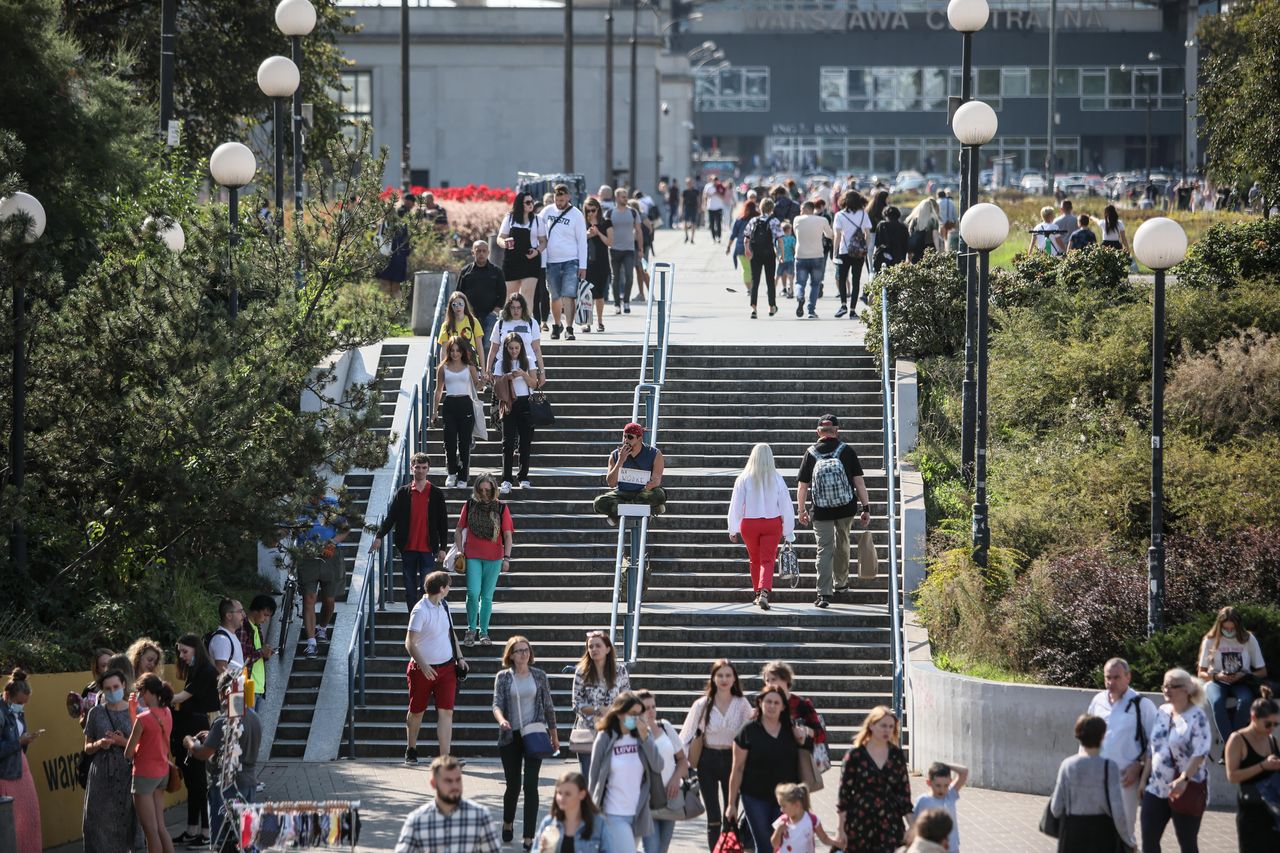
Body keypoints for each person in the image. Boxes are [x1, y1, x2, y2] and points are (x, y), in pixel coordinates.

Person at [796, 413, 871, 608]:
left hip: (821, 510)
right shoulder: (846, 451)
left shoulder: (811, 453)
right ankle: (841, 583)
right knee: (843, 544)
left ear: (818, 432)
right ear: (837, 431)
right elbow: (859, 482)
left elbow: (802, 486)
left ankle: (823, 594)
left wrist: (802, 510)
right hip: (846, 508)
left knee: (824, 549)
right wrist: (866, 508)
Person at [492, 636, 559, 849]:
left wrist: (554, 735)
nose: (524, 654)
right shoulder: (503, 677)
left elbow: (548, 706)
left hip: (534, 735)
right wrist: (502, 720)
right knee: (513, 786)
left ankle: (529, 836)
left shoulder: (539, 676)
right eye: (519, 650)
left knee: (531, 785)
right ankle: (508, 822)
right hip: (511, 736)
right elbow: (496, 704)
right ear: (511, 655)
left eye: (526, 650)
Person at [725, 685, 811, 850]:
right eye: (768, 701)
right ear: (760, 703)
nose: (771, 706)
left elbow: (808, 752)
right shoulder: (748, 730)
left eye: (776, 703)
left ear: (783, 707)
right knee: (765, 844)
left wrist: (803, 739)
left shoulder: (790, 729)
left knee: (784, 843)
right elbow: (737, 769)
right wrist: (731, 804)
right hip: (755, 797)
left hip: (787, 798)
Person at [680, 659, 753, 851]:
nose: (724, 679)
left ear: (735, 678)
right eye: (720, 675)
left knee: (730, 815)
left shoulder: (741, 703)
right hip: (707, 761)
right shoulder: (702, 704)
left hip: (733, 761)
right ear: (712, 678)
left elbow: (753, 731)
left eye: (728, 675)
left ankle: (730, 850)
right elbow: (685, 735)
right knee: (713, 817)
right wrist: (680, 765)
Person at [185, 670, 263, 849]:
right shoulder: (254, 718)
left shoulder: (224, 721)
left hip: (226, 788)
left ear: (223, 693)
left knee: (223, 840)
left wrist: (189, 742)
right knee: (245, 837)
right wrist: (213, 735)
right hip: (248, 783)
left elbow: (203, 753)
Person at [1085, 657, 1158, 837]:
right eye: (1107, 677)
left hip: (1126, 778)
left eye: (1116, 677)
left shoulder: (1142, 705)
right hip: (1098, 776)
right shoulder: (1098, 701)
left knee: (1123, 830)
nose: (1111, 682)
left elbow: (1156, 742)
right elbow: (1087, 737)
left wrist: (1139, 766)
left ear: (1128, 677)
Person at [1142, 668, 1211, 853]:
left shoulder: (1197, 716)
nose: (1167, 689)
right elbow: (1152, 747)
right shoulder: (1162, 711)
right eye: (1165, 685)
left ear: (1187, 689)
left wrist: (1183, 779)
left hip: (1185, 788)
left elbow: (1200, 752)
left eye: (1173, 686)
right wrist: (1143, 781)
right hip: (1156, 787)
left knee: (1187, 844)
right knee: (1149, 840)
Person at [404, 571, 468, 764]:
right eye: (448, 585)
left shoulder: (444, 605)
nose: (449, 589)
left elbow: (451, 633)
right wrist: (422, 665)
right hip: (422, 669)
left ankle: (445, 757)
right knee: (417, 710)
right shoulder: (420, 610)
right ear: (441, 588)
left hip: (447, 668)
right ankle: (411, 749)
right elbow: (409, 642)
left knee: (446, 711)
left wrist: (460, 657)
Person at [588, 691, 663, 852]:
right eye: (632, 714)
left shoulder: (642, 736)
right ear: (620, 713)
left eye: (639, 714)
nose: (637, 718)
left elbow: (658, 765)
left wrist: (646, 739)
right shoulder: (605, 737)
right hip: (613, 812)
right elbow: (594, 777)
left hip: (638, 813)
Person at [371, 452, 449, 605]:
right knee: (410, 590)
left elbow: (443, 523)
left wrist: (443, 547)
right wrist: (379, 536)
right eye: (417, 467)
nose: (420, 470)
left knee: (426, 589)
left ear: (428, 469)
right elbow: (391, 517)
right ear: (411, 468)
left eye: (424, 467)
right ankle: (412, 623)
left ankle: (424, 622)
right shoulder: (403, 492)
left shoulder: (436, 493)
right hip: (408, 548)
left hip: (427, 548)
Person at [1048, 715, 1135, 852]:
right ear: (1102, 736)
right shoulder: (1109, 767)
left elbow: (1056, 808)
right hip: (1102, 833)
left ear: (1078, 734)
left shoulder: (1067, 765)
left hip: (1073, 832)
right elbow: (1118, 812)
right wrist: (1129, 840)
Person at [728, 443, 795, 610]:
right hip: (772, 523)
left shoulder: (743, 478)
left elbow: (736, 505)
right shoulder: (777, 478)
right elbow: (786, 505)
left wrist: (733, 528)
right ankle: (764, 590)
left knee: (754, 559)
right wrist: (788, 530)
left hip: (749, 523)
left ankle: (757, 593)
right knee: (767, 559)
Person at [836, 706, 911, 853]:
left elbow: (904, 793)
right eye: (883, 725)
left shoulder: (897, 755)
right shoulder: (855, 755)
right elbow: (844, 795)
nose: (887, 730)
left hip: (890, 822)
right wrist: (840, 828)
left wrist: (913, 826)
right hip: (860, 820)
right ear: (871, 725)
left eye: (891, 726)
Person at [393, 755, 501, 853]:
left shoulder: (480, 817)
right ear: (434, 783)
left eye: (458, 780)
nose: (455, 786)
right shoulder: (417, 821)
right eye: (448, 781)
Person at [171, 634, 219, 846]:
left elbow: (181, 698)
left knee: (200, 783)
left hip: (203, 729)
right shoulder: (196, 671)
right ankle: (192, 830)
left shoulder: (206, 671)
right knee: (193, 783)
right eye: (179, 652)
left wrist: (158, 699)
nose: (181, 656)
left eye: (185, 651)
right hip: (194, 727)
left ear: (196, 650)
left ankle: (207, 832)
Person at [457, 472, 515, 646]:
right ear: (476, 489)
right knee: (473, 593)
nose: (484, 493)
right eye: (481, 490)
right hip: (473, 555)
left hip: (494, 557)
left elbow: (507, 535)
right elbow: (458, 530)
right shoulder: (469, 505)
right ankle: (471, 629)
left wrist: (507, 558)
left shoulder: (501, 507)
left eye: (488, 490)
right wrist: (460, 551)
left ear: (494, 490)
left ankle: (484, 632)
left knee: (487, 597)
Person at [1197, 605, 1269, 743]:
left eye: (1232, 629)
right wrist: (1217, 676)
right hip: (1217, 681)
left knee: (1246, 700)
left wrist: (1243, 675)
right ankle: (1233, 746)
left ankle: (1230, 747)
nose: (1229, 632)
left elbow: (1262, 671)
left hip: (1241, 682)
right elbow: (1201, 673)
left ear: (1238, 626)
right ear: (1219, 626)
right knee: (1218, 702)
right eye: (1225, 629)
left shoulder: (1248, 639)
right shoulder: (1210, 640)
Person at [82, 668, 135, 853]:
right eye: (108, 688)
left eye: (116, 687)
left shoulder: (134, 712)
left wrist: (122, 742)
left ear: (124, 686)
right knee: (96, 822)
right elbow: (87, 747)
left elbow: (142, 748)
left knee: (126, 821)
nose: (112, 692)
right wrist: (99, 743)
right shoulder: (95, 713)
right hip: (101, 774)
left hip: (127, 773)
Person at [294, 489, 349, 658]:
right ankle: (311, 643)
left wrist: (332, 543)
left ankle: (323, 628)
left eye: (319, 493)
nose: (317, 497)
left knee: (329, 600)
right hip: (307, 556)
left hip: (330, 555)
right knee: (309, 598)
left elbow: (345, 530)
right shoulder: (299, 506)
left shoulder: (332, 504)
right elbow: (287, 528)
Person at [1223, 687, 1280, 853]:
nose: (1272, 728)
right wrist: (1263, 765)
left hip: (1274, 811)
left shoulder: (1272, 741)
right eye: (1268, 723)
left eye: (1276, 724)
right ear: (1254, 717)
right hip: (1251, 811)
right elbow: (1232, 776)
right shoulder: (1237, 739)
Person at [125, 674, 175, 853]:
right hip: (162, 773)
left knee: (150, 831)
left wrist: (134, 714)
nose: (139, 696)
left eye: (141, 691)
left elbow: (129, 752)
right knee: (161, 827)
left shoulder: (143, 718)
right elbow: (148, 738)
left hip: (144, 776)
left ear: (149, 692)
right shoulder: (167, 712)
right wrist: (133, 711)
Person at [636, 688, 690, 853]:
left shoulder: (665, 726)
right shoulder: (633, 733)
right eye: (646, 708)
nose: (651, 711)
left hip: (670, 797)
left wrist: (675, 779)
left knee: (662, 848)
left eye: (653, 706)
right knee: (652, 849)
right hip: (647, 801)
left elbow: (682, 760)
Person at [571, 631, 631, 778]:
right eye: (590, 647)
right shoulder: (581, 671)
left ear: (608, 649)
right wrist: (599, 710)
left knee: (612, 780)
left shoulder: (620, 670)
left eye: (598, 646)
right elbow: (576, 704)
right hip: (588, 732)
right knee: (589, 780)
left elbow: (628, 699)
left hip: (613, 732)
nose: (594, 649)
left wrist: (616, 712)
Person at [0, 669, 43, 853]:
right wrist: (19, 742)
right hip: (7, 774)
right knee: (14, 823)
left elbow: (19, 741)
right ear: (7, 695)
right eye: (18, 702)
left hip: (21, 768)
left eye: (24, 704)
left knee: (30, 817)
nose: (21, 707)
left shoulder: (16, 711)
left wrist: (26, 740)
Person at [540, 184, 589, 340]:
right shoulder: (547, 211)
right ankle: (556, 325)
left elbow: (582, 241)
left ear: (568, 197)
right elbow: (536, 226)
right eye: (556, 199)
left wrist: (583, 265)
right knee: (554, 296)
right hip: (552, 261)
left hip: (570, 260)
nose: (559, 202)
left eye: (562, 199)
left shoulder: (576, 214)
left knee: (569, 295)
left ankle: (569, 328)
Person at [594, 421, 667, 525]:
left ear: (639, 438)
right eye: (624, 437)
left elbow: (657, 479)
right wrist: (620, 461)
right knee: (599, 502)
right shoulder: (615, 455)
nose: (626, 440)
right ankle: (650, 509)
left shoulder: (654, 454)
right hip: (622, 493)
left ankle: (618, 512)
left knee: (659, 494)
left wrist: (653, 483)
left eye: (630, 437)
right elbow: (611, 483)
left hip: (643, 492)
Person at [433, 337, 483, 487]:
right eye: (452, 351)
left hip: (465, 404)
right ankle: (451, 473)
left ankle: (463, 476)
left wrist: (484, 380)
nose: (455, 354)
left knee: (464, 442)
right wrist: (434, 411)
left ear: (462, 351)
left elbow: (477, 386)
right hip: (450, 405)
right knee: (449, 441)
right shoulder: (443, 367)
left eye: (457, 350)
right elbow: (439, 390)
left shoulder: (470, 367)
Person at [493, 332, 538, 493]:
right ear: (506, 348)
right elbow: (496, 385)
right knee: (508, 442)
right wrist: (508, 377)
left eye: (517, 348)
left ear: (521, 348)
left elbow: (534, 383)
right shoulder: (500, 363)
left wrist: (523, 374)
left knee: (525, 442)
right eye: (511, 348)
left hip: (525, 402)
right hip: (509, 403)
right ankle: (506, 479)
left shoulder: (528, 361)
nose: (514, 351)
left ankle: (523, 477)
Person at [532, 770, 605, 852]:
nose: (562, 798)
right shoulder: (548, 823)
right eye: (559, 793)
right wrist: (542, 849)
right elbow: (535, 850)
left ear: (582, 794)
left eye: (568, 794)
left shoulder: (599, 823)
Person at [486, 292, 545, 389]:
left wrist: (542, 372)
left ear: (523, 308)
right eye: (513, 307)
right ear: (508, 308)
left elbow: (537, 349)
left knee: (525, 394)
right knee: (504, 396)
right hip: (504, 364)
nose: (516, 311)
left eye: (519, 307)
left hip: (526, 364)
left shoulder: (531, 323)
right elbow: (493, 349)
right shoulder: (500, 323)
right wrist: (488, 370)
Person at [500, 191, 548, 308]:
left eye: (532, 201)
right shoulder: (509, 218)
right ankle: (510, 323)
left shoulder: (537, 220)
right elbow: (500, 238)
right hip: (511, 261)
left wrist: (537, 251)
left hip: (530, 261)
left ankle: (527, 323)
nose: (531, 204)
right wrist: (505, 243)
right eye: (527, 202)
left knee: (527, 295)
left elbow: (543, 241)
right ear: (520, 204)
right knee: (511, 296)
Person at [458, 240, 507, 354]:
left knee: (487, 346)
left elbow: (503, 293)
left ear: (488, 252)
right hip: (469, 316)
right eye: (478, 251)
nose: (481, 253)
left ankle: (486, 371)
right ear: (472, 253)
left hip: (490, 316)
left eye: (484, 251)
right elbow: (458, 294)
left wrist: (495, 311)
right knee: (469, 346)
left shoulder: (497, 271)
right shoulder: (465, 272)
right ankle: (473, 371)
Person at [911, 762, 968, 853]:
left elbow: (964, 772)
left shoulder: (950, 795)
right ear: (929, 783)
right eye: (938, 785)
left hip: (951, 847)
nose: (942, 790)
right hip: (930, 848)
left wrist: (944, 765)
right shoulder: (923, 800)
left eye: (946, 785)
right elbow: (913, 822)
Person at [833, 191, 872, 316]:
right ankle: (853, 310)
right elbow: (868, 234)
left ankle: (843, 305)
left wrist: (835, 252)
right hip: (858, 252)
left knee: (842, 278)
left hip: (844, 251)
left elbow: (838, 236)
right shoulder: (863, 215)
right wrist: (864, 247)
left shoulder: (839, 215)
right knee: (856, 281)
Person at [771, 783, 840, 853]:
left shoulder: (812, 820)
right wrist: (778, 831)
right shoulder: (782, 821)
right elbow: (775, 844)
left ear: (796, 805)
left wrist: (838, 843)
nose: (781, 809)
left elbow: (824, 838)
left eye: (784, 806)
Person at [793, 201, 833, 318]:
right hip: (817, 256)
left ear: (806, 209)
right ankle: (811, 310)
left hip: (800, 255)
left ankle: (800, 297)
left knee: (800, 282)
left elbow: (796, 234)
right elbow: (829, 235)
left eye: (801, 209)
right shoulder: (822, 220)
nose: (800, 212)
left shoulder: (797, 220)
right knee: (815, 284)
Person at [744, 198, 783, 318]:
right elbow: (780, 239)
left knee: (755, 281)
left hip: (756, 253)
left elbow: (746, 238)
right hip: (769, 253)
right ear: (771, 209)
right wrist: (781, 254)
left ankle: (754, 308)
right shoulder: (775, 221)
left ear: (760, 208)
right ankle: (771, 307)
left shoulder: (753, 220)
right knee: (770, 280)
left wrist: (747, 250)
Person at [608, 187, 644, 317]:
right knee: (615, 278)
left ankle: (626, 301)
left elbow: (639, 231)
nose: (625, 198)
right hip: (614, 249)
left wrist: (640, 249)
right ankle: (617, 304)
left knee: (629, 276)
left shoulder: (633, 212)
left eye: (626, 196)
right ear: (616, 198)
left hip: (629, 249)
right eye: (622, 196)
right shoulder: (610, 213)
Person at [582, 197, 613, 334]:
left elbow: (610, 242)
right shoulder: (582, 224)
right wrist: (587, 235)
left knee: (599, 294)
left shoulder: (606, 223)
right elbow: (577, 241)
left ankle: (600, 321)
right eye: (587, 210)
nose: (590, 213)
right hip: (586, 263)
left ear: (598, 209)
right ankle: (587, 322)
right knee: (586, 294)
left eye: (593, 210)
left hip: (602, 263)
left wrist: (598, 233)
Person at [238, 595, 277, 701]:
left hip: (258, 688)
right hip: (248, 687)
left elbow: (255, 656)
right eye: (265, 615)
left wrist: (265, 654)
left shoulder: (256, 628)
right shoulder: (244, 628)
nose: (266, 619)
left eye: (268, 616)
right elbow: (241, 659)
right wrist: (261, 652)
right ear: (255, 610)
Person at [376, 195, 414, 300]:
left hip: (385, 258)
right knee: (396, 288)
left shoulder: (381, 226)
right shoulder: (402, 225)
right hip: (399, 259)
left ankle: (386, 310)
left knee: (385, 286)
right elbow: (407, 243)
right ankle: (396, 311)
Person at [436, 291, 486, 361]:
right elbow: (444, 349)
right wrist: (444, 368)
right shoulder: (446, 325)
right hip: (453, 365)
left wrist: (483, 369)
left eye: (460, 304)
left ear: (465, 305)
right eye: (454, 304)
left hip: (471, 364)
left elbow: (479, 347)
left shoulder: (473, 322)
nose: (458, 307)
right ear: (451, 307)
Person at [726, 200, 759, 291]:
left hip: (741, 247)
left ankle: (749, 288)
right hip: (754, 247)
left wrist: (729, 247)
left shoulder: (740, 220)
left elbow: (733, 235)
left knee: (746, 269)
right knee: (753, 269)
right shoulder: (758, 219)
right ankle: (752, 288)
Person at [208, 598, 246, 672]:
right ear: (229, 615)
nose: (244, 615)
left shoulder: (230, 636)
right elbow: (221, 675)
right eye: (240, 611)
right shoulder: (222, 640)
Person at [903, 195, 940, 263]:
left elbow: (910, 236)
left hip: (917, 250)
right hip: (930, 249)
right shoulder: (933, 220)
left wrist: (909, 252)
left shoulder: (915, 220)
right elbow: (935, 237)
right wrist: (938, 251)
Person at [873, 206, 910, 272]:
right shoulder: (903, 227)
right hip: (899, 258)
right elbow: (906, 245)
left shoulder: (882, 225)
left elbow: (877, 243)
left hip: (884, 258)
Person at [704, 176, 729, 243]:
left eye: (716, 180)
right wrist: (704, 204)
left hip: (719, 207)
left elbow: (723, 197)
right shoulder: (708, 186)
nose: (715, 182)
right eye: (714, 180)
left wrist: (716, 193)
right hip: (710, 207)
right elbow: (705, 196)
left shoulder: (720, 187)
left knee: (718, 223)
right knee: (711, 224)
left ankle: (719, 236)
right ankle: (714, 237)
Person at [776, 222, 797, 300]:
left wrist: (778, 256)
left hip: (782, 260)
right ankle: (791, 291)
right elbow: (795, 248)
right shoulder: (792, 239)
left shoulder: (779, 239)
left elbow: (777, 249)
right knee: (790, 276)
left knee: (777, 276)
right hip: (790, 260)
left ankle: (772, 290)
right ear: (788, 230)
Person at [680, 177, 701, 243]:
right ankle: (686, 236)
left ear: (692, 183)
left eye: (690, 183)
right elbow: (682, 201)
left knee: (693, 223)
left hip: (694, 208)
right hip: (687, 208)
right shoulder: (684, 192)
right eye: (687, 183)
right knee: (685, 223)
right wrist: (681, 210)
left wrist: (699, 208)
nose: (689, 184)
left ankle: (692, 238)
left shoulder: (696, 191)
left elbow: (698, 200)